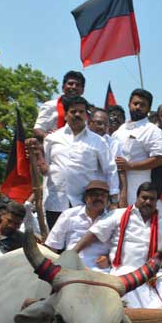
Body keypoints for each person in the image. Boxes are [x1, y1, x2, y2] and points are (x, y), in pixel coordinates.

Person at [75, 182, 162, 313]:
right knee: (125, 284)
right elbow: (94, 233)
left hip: (153, 275)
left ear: (156, 201)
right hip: (124, 270)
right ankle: (149, 321)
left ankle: (154, 315)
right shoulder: (119, 215)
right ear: (137, 198)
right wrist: (73, 252)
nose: (148, 202)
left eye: (152, 199)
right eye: (144, 198)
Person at [32, 95, 119, 229]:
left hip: (85, 204)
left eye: (81, 111)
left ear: (86, 116)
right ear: (66, 115)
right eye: (73, 111)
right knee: (56, 246)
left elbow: (110, 170)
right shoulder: (52, 139)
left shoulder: (98, 141)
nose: (77, 114)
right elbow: (47, 170)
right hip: (56, 203)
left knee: (80, 246)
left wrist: (113, 200)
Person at [112, 89, 162, 207]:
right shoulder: (120, 130)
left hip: (137, 186)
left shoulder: (153, 131)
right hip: (115, 185)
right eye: (135, 103)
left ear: (148, 108)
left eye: (142, 105)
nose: (138, 107)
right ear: (129, 104)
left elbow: (159, 159)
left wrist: (130, 166)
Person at [45, 180, 113, 271]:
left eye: (103, 195)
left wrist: (108, 259)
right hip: (72, 268)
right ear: (85, 198)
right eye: (94, 194)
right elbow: (52, 246)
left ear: (108, 200)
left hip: (102, 271)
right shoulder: (69, 215)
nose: (99, 198)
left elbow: (122, 249)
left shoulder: (113, 218)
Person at [33, 70, 86, 139]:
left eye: (78, 85)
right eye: (70, 84)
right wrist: (53, 140)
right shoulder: (50, 106)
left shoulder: (86, 111)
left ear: (82, 91)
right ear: (63, 88)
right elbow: (38, 129)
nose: (74, 87)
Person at [89, 107, 124, 206]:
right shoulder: (80, 140)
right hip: (80, 192)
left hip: (103, 194)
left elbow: (115, 171)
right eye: (99, 123)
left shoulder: (113, 144)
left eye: (106, 125)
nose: (103, 127)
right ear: (89, 122)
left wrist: (115, 200)